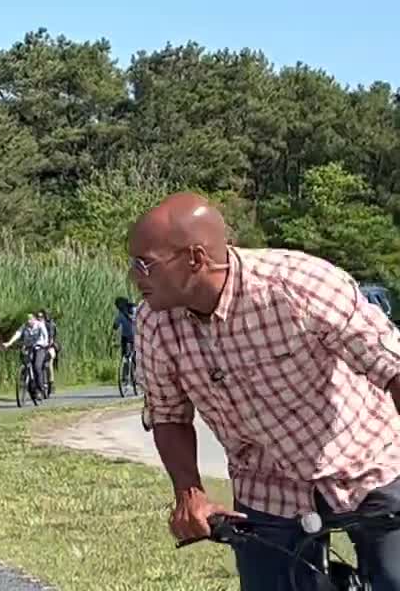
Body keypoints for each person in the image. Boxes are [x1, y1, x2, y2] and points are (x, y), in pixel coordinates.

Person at [132, 191, 400, 591]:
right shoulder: (153, 323)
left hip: (365, 462)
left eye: (144, 264)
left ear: (195, 259)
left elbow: (392, 368)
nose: (135, 278)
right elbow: (169, 414)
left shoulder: (299, 284)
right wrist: (190, 494)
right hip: (265, 485)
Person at [3, 312, 50, 394]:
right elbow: (18, 334)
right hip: (29, 347)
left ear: (35, 319)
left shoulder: (40, 325)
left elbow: (45, 335)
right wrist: (9, 342)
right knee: (26, 363)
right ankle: (27, 381)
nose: (29, 321)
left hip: (40, 347)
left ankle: (40, 388)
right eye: (27, 319)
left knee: (37, 366)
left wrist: (45, 343)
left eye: (30, 319)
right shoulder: (25, 326)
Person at [113, 296, 137, 377]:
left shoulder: (122, 313)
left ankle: (127, 375)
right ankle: (133, 374)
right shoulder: (133, 309)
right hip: (133, 335)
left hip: (129, 336)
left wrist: (114, 340)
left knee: (126, 355)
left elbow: (115, 326)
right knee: (131, 355)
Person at [39, 307, 59, 394]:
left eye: (42, 315)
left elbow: (51, 339)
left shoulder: (50, 325)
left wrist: (47, 346)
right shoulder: (38, 325)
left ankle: (51, 383)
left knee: (48, 363)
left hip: (50, 347)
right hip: (41, 346)